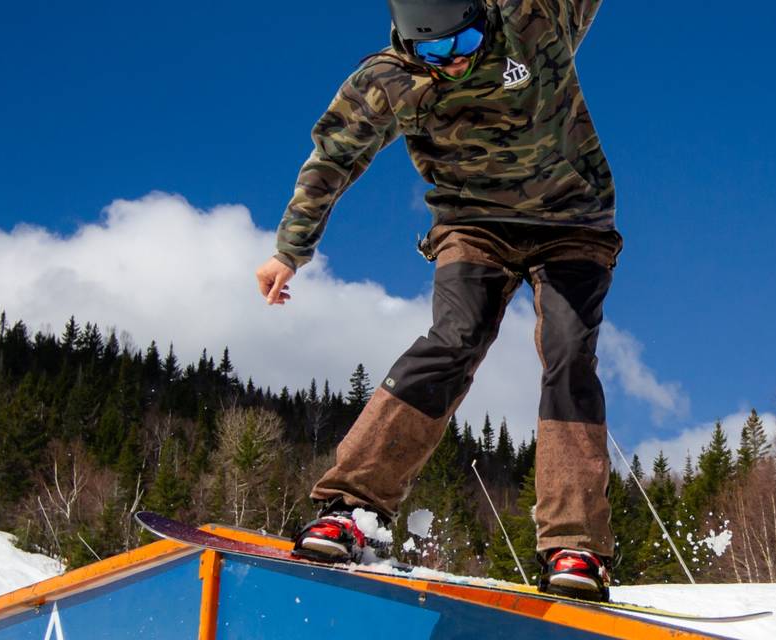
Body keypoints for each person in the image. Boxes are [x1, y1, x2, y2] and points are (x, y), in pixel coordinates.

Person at [254, 0, 618, 601]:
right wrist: (289, 250)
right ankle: (353, 510)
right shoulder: (387, 80)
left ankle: (575, 546)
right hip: (472, 224)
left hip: (574, 222)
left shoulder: (535, 18)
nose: (455, 62)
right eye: (436, 52)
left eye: (467, 42)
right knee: (452, 342)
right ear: (407, 41)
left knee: (568, 356)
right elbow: (333, 159)